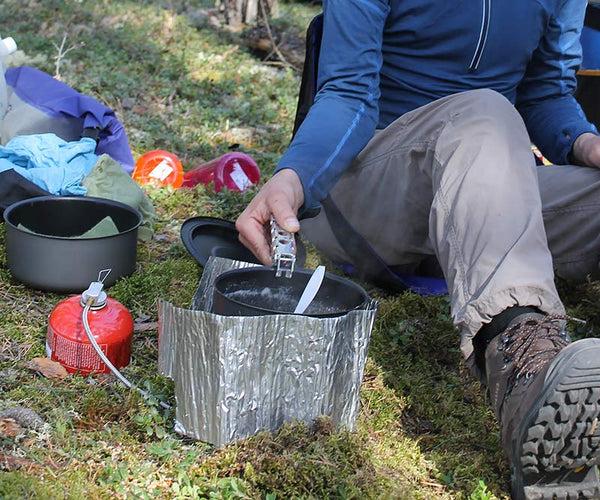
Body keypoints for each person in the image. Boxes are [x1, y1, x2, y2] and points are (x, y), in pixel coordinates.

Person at [236, 1, 600, 497]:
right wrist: (294, 179)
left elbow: (544, 92)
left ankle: (582, 406)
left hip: (486, 197)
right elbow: (348, 92)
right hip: (370, 188)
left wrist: (585, 142)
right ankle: (525, 374)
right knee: (487, 110)